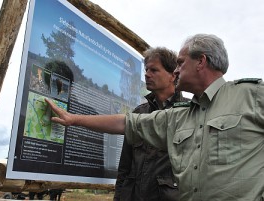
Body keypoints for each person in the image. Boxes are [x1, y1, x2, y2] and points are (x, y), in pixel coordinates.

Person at [45, 34, 264, 201]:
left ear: (201, 61)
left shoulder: (252, 95)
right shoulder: (178, 117)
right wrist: (74, 119)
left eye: (180, 63)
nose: (176, 71)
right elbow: (127, 123)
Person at [114, 47, 187, 201]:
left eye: (154, 70)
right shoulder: (138, 113)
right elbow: (124, 167)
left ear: (173, 75)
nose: (147, 74)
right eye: (146, 69)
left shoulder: (188, 113)